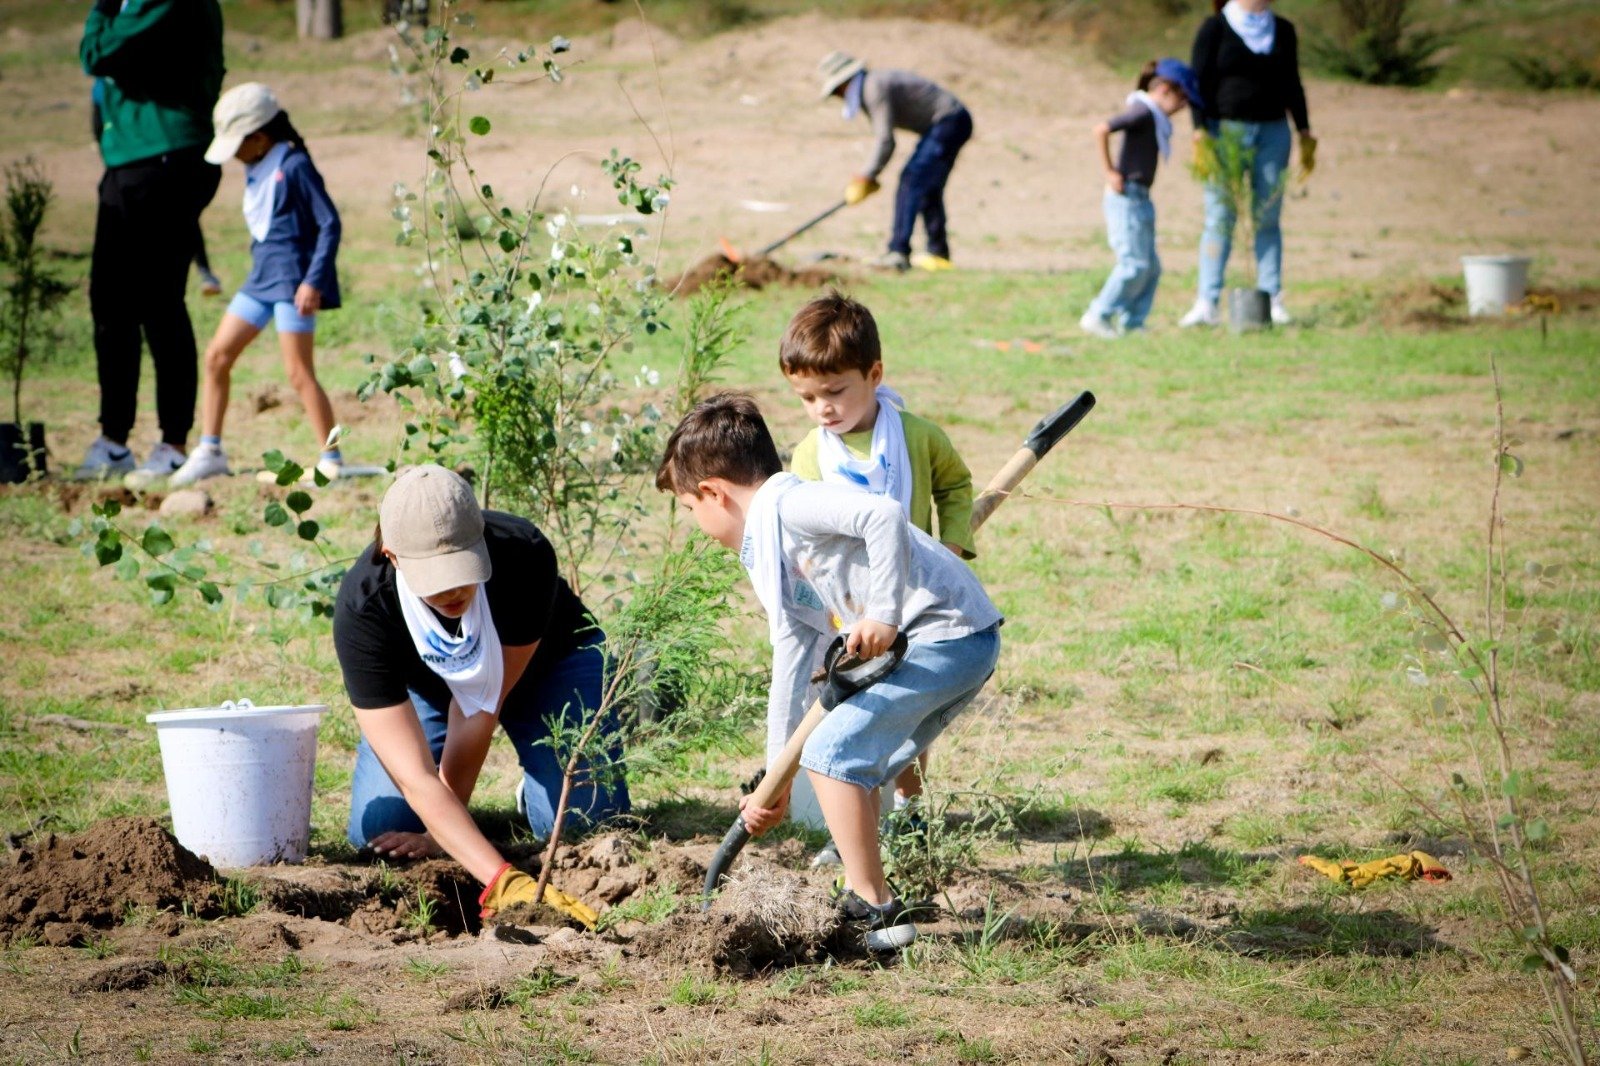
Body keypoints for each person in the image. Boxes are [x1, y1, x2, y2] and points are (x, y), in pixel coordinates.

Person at [656, 393, 1003, 951]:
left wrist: (883, 612)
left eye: (689, 508)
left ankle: (873, 906)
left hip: (946, 634)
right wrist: (775, 776)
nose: (698, 525)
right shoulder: (773, 548)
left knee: (833, 756)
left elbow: (883, 514)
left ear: (713, 494)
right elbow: (791, 654)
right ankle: (865, 891)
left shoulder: (791, 507)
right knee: (850, 759)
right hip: (951, 642)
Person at [332, 465, 630, 912]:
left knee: (586, 819)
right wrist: (502, 879)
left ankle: (537, 781)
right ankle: (506, 792)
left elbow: (477, 709)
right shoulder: (364, 608)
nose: (453, 589)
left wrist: (444, 835)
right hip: (432, 686)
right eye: (436, 577)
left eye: (463, 568)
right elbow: (415, 777)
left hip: (548, 666)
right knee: (379, 827)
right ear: (392, 555)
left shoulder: (522, 553)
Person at [781, 291, 975, 865]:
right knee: (858, 720)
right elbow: (807, 542)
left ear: (874, 374)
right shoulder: (810, 458)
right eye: (807, 397)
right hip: (852, 615)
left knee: (910, 717)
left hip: (922, 607)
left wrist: (955, 541)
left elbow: (955, 485)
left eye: (836, 391)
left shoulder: (916, 437)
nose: (823, 408)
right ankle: (859, 831)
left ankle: (911, 811)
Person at [76, 0, 224, 483]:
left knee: (159, 302)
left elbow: (98, 54)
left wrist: (102, 8)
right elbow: (97, 53)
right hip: (128, 162)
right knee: (111, 304)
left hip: (167, 159)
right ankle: (115, 440)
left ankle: (174, 443)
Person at [169, 84, 344, 487]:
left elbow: (329, 223)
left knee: (299, 372)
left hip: (292, 285)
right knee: (217, 356)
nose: (233, 156)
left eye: (237, 145)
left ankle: (332, 459)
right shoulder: (257, 166)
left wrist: (312, 281)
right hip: (260, 280)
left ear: (260, 138)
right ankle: (210, 450)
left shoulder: (296, 165)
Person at [1181, 0, 1316, 328]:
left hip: (1273, 132)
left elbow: (1292, 80)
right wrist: (1199, 128)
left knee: (1267, 215)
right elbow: (1197, 81)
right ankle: (1207, 302)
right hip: (1224, 131)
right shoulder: (1215, 28)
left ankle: (1272, 299)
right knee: (1220, 216)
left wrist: (1303, 129)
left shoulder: (1282, 29)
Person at [816, 51, 974, 272]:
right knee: (926, 186)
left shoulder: (873, 88)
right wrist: (869, 175)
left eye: (836, 91)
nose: (838, 97)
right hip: (945, 124)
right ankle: (939, 254)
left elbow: (886, 140)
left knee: (912, 179)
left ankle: (898, 252)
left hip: (950, 121)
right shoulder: (872, 85)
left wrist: (866, 176)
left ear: (844, 83)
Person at [1078, 59, 1202, 339]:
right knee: (1133, 264)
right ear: (1167, 90)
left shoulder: (1153, 117)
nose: (1182, 108)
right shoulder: (1143, 112)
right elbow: (1101, 129)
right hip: (1127, 197)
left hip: (1141, 196)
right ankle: (1098, 315)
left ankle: (1133, 322)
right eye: (1182, 99)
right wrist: (1110, 171)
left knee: (1151, 266)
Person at [91, 77, 221, 297]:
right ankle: (204, 272)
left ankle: (203, 271)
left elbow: (96, 124)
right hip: (173, 160)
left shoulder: (105, 82)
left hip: (137, 166)